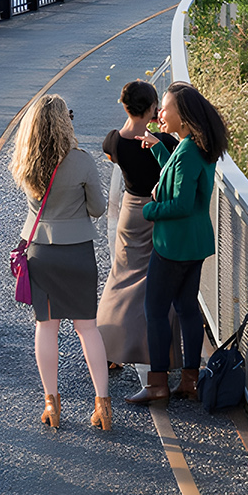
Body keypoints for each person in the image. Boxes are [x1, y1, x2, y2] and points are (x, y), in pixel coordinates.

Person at [12, 93, 110, 429]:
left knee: (46, 328)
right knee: (87, 328)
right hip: (78, 250)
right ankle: (102, 405)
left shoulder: (26, 162)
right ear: (64, 123)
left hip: (42, 251)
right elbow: (98, 208)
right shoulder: (81, 161)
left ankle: (52, 405)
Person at [134, 82, 226, 405]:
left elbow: (181, 203)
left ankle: (158, 383)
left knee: (155, 310)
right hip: (196, 243)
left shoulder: (187, 152)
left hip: (173, 246)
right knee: (187, 308)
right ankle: (190, 380)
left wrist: (149, 209)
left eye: (166, 107)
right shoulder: (196, 146)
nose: (160, 113)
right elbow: (179, 175)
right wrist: (159, 148)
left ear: (183, 117)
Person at [95, 80, 158, 371]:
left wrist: (134, 116)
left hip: (129, 214)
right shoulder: (163, 144)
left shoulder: (115, 142)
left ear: (125, 107)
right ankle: (149, 350)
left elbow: (112, 150)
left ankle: (106, 347)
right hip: (156, 212)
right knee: (151, 284)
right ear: (153, 110)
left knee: (119, 279)